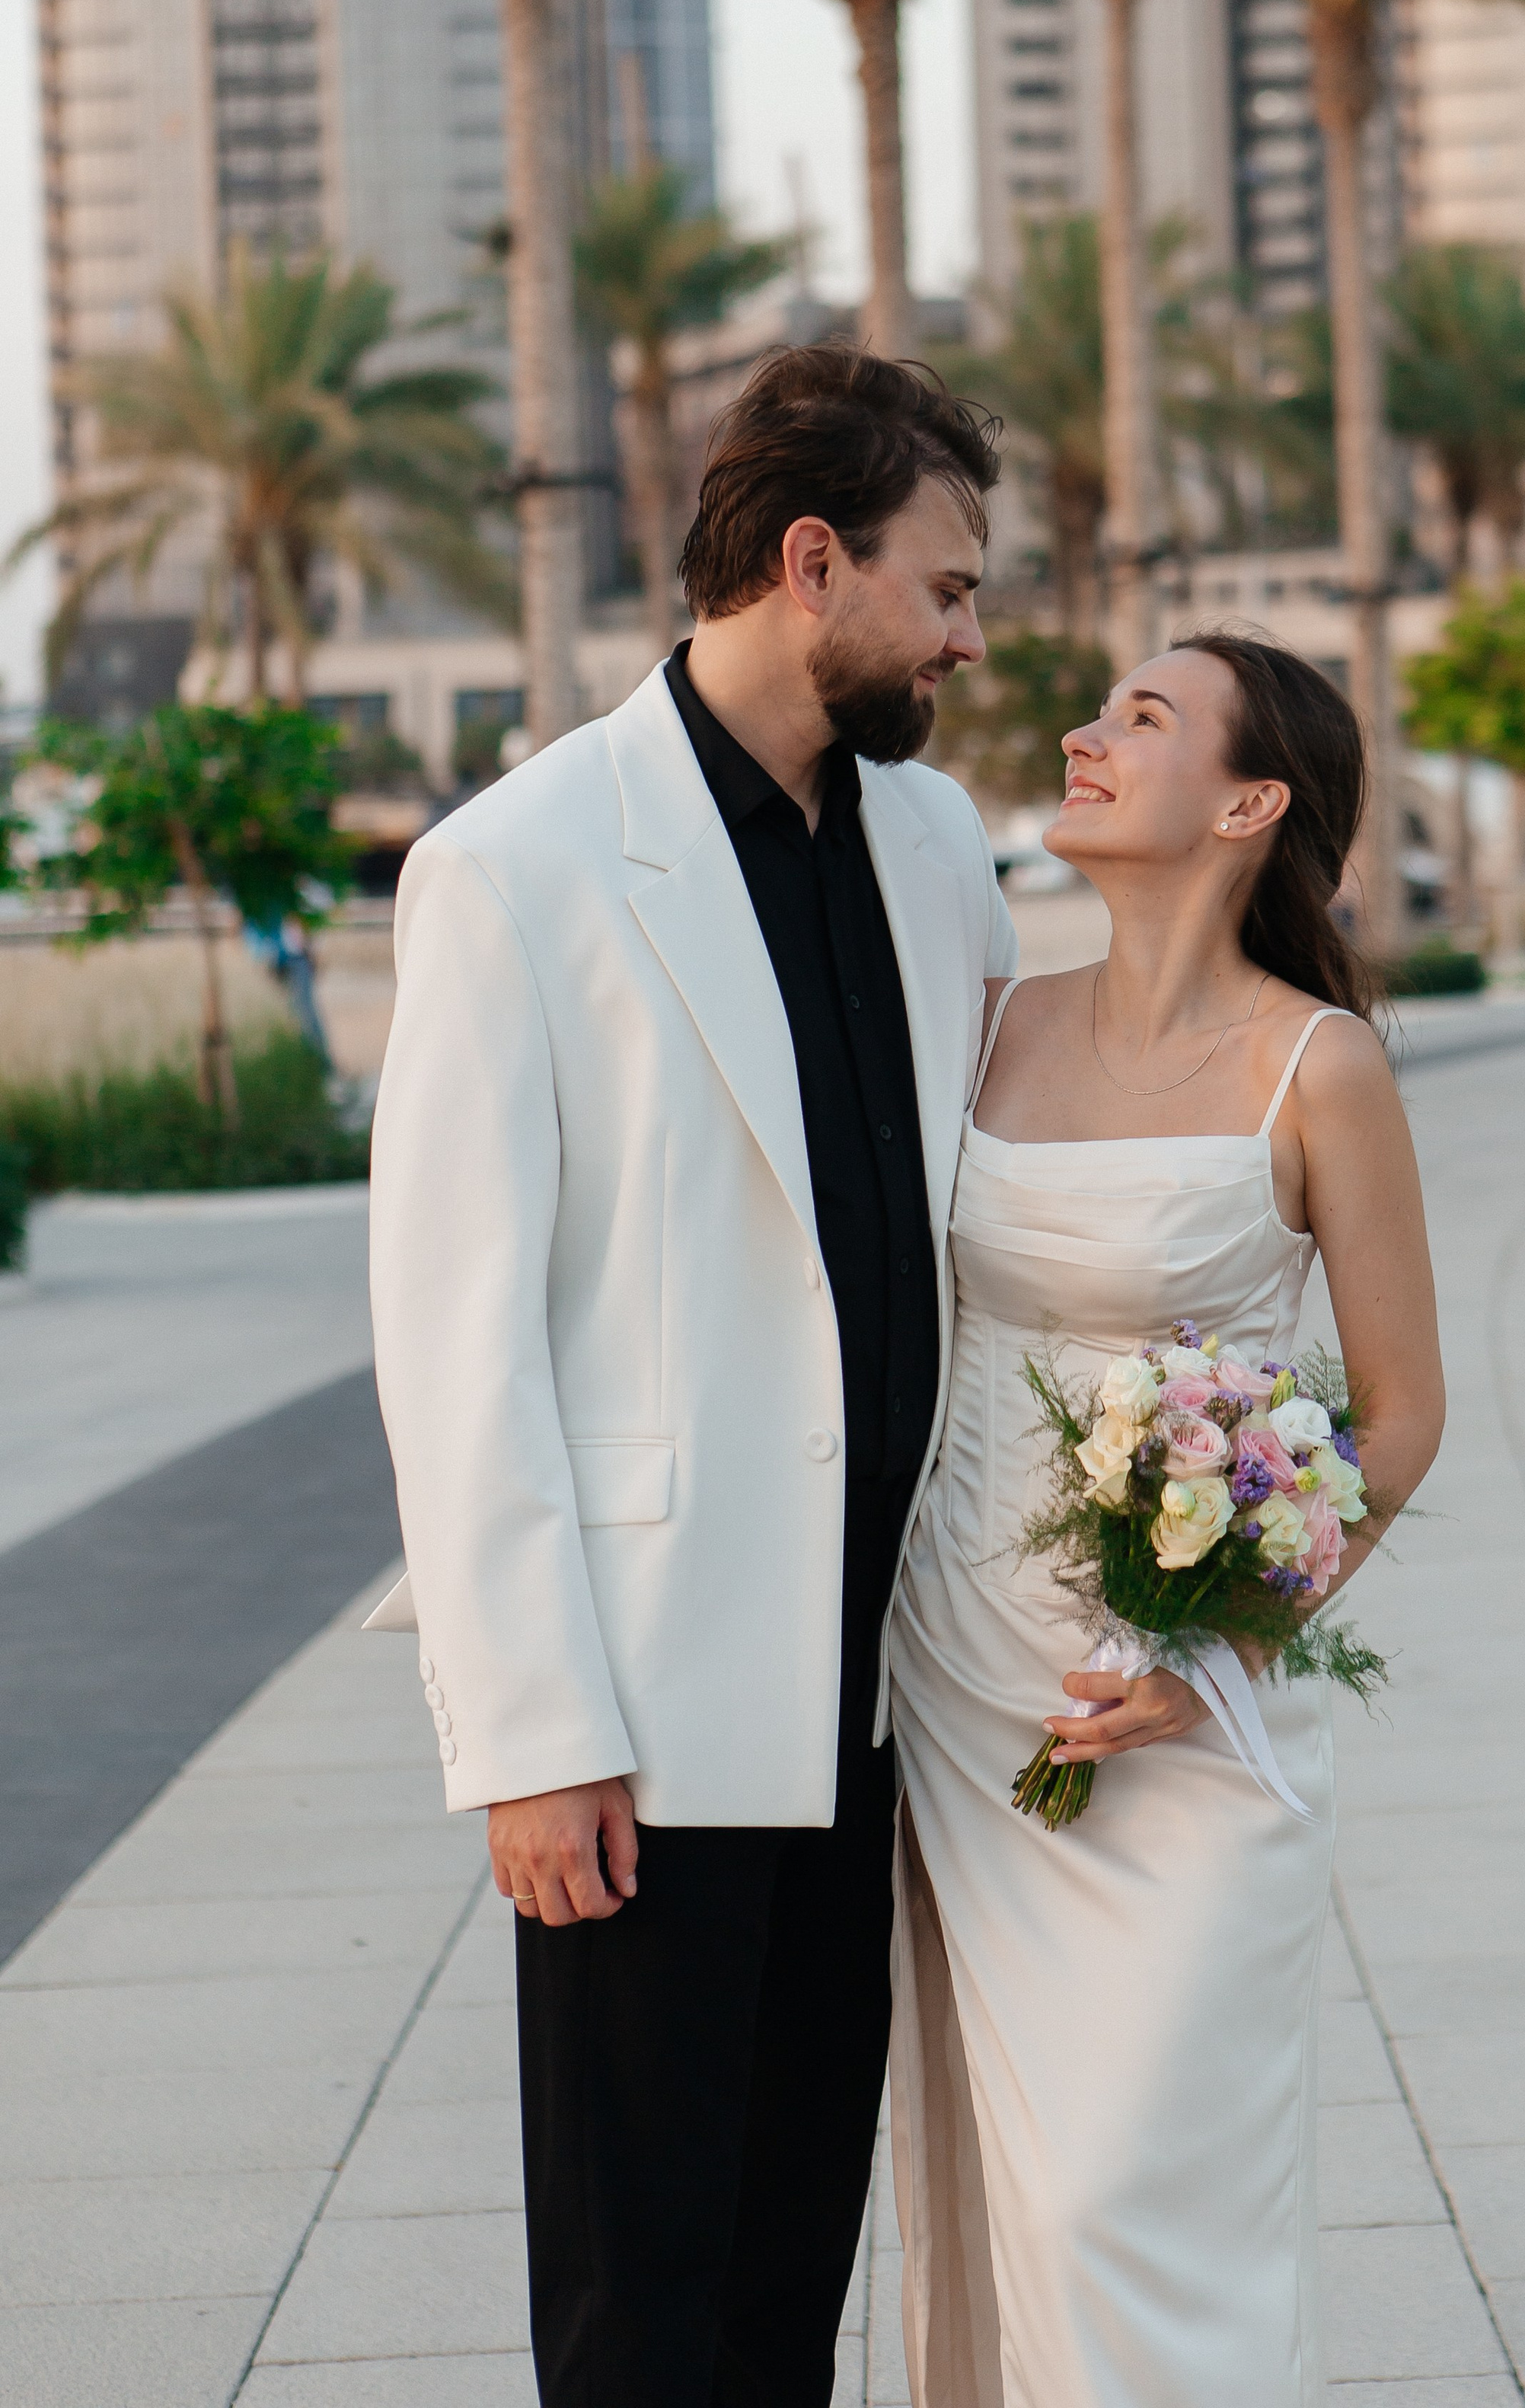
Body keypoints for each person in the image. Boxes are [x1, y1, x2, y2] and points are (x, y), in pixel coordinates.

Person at [364, 343, 1017, 2406]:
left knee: (790, 2284)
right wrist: (528, 1736)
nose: (968, 640)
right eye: (947, 586)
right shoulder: (519, 864)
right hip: (645, 1713)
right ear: (810, 563)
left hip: (881, 1701)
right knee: (645, 2308)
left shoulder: (939, 850)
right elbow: (453, 1339)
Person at [889, 631, 1446, 2408]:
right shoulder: (985, 1020)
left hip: (1187, 1712)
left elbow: (1398, 1410)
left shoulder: (1319, 1067)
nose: (1083, 732)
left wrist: (1214, 1633)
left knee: (1133, 2198)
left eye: (1140, 717)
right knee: (1006, 2197)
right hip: (969, 1679)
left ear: (1246, 799)